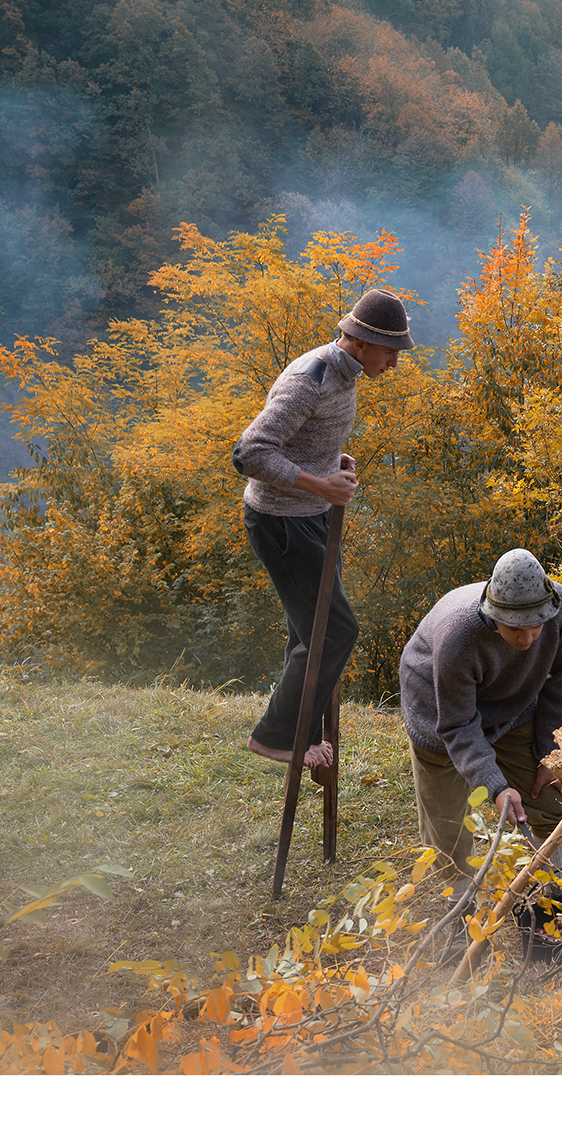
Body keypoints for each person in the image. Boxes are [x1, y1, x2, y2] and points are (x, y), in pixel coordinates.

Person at [234, 287, 414, 775]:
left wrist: (331, 464)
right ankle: (273, 737)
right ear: (360, 342)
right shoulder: (310, 378)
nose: (394, 363)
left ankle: (303, 736)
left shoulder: (346, 373)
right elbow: (249, 453)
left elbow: (304, 439)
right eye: (391, 352)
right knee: (335, 630)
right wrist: (319, 483)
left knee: (310, 634)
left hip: (311, 517)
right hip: (281, 523)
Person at [399, 548, 562, 869]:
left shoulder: (560, 607)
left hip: (510, 704)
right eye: (515, 629)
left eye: (536, 626)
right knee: (448, 828)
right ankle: (460, 903)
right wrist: (496, 787)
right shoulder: (458, 635)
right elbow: (457, 725)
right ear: (494, 614)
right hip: (435, 706)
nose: (527, 639)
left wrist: (550, 754)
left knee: (548, 799)